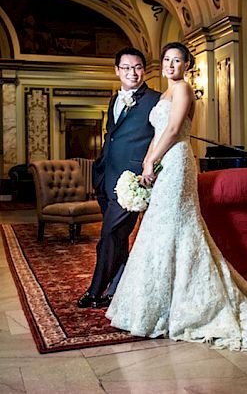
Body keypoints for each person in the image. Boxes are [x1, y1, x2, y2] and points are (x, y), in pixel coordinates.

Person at [105, 42, 247, 350]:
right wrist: (147, 164)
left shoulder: (185, 90)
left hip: (177, 163)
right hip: (163, 164)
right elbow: (158, 133)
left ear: (187, 65)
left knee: (177, 225)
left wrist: (153, 160)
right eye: (166, 60)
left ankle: (190, 307)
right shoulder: (163, 95)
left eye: (177, 60)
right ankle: (160, 305)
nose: (170, 65)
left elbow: (174, 129)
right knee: (158, 229)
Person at [78, 47, 161, 309]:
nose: (132, 73)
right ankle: (120, 287)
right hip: (106, 177)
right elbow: (111, 136)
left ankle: (96, 292)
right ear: (117, 71)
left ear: (143, 70)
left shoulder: (156, 99)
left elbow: (161, 138)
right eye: (126, 68)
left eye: (137, 67)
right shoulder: (115, 99)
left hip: (133, 181)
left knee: (109, 236)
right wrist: (100, 170)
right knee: (117, 238)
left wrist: (148, 169)